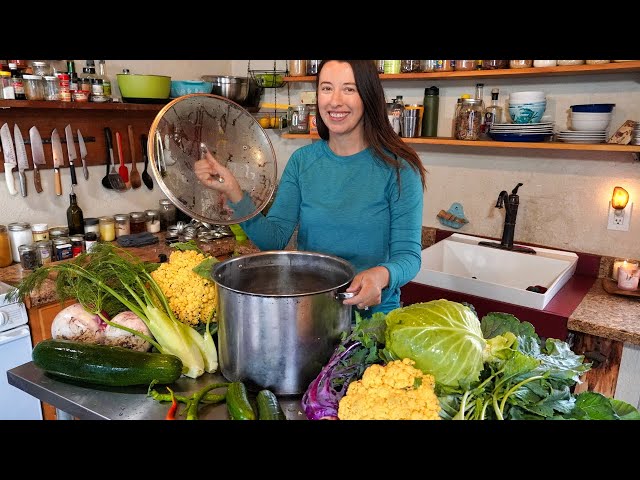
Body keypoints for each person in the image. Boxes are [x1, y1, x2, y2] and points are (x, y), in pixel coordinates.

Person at [194, 59, 427, 315]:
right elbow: (273, 239)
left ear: (368, 96)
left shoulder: (399, 169)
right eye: (327, 88)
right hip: (310, 315)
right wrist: (233, 191)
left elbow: (408, 257)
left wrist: (381, 275)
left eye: (349, 89)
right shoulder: (302, 162)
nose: (335, 101)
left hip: (373, 320)